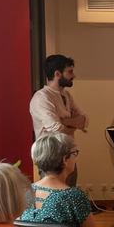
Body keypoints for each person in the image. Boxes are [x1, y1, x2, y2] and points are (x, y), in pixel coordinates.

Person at [30, 54, 87, 187]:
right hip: (50, 158)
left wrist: (65, 121)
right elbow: (56, 128)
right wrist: (73, 123)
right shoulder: (42, 97)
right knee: (51, 198)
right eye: (70, 72)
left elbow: (84, 120)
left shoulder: (67, 95)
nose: (74, 76)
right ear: (57, 74)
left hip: (69, 154)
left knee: (70, 195)